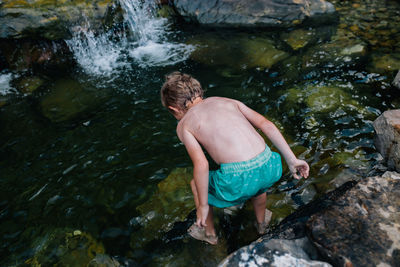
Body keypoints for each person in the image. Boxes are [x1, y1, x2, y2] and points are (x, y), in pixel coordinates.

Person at [160, 72, 309, 245]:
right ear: (200, 92)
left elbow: (202, 163)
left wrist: (203, 206)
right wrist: (292, 160)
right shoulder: (227, 101)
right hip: (270, 165)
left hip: (237, 179)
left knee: (196, 183)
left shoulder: (184, 124)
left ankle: (209, 234)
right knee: (258, 182)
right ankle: (261, 224)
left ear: (174, 109)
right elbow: (267, 125)